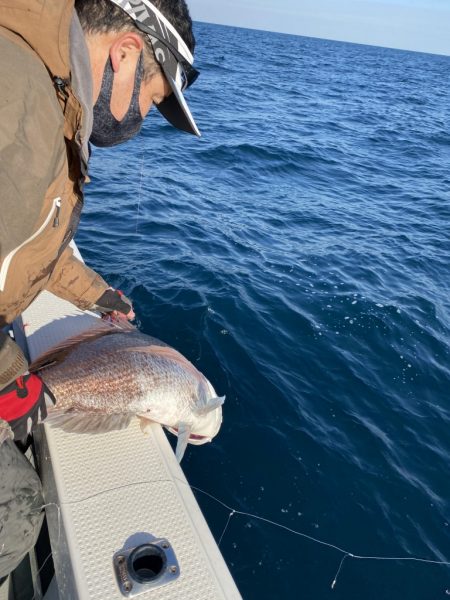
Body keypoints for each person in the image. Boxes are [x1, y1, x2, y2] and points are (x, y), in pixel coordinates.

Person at [0, 0, 200, 581]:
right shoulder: (23, 98)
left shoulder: (43, 87)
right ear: (126, 52)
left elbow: (27, 240)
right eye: (152, 97)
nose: (141, 118)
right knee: (15, 516)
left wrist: (98, 296)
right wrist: (15, 377)